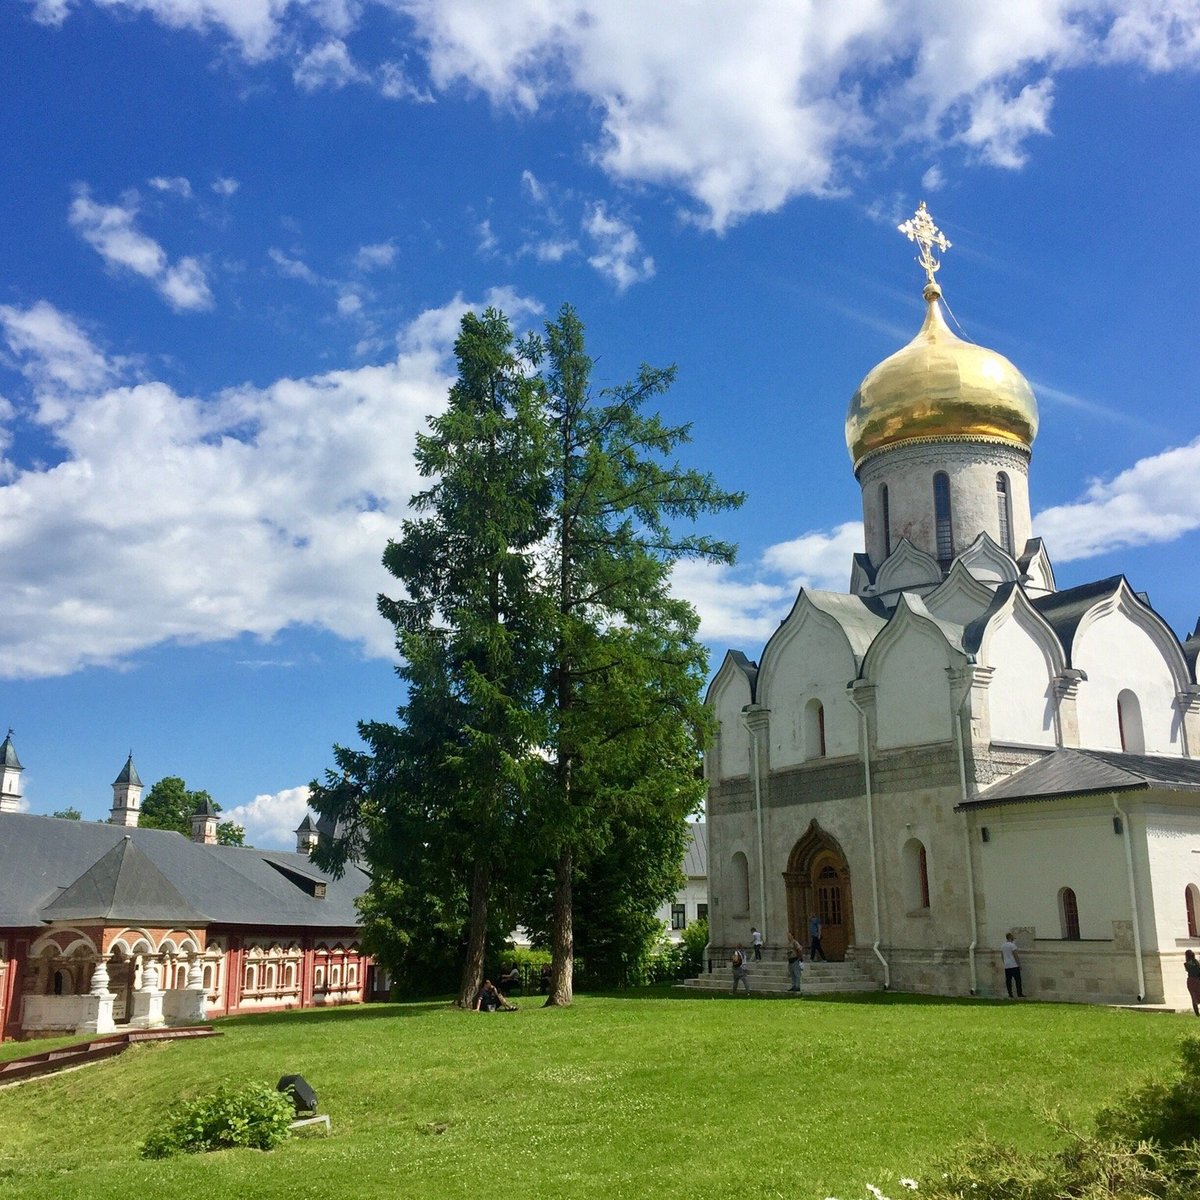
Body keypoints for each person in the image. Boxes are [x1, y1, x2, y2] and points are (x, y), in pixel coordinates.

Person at [1001, 932, 1024, 998]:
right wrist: (1019, 964)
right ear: (1010, 937)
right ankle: (1019, 993)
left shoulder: (1003, 946)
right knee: (1018, 980)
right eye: (1013, 937)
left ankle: (1010, 994)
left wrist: (1005, 962)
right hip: (1014, 965)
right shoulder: (1012, 945)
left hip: (1007, 965)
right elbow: (1015, 955)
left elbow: (1002, 955)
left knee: (1008, 980)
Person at [1185, 949, 1200, 1016]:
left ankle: (1197, 1014)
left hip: (1190, 981)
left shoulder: (1186, 964)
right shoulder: (1196, 962)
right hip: (1197, 980)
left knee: (1193, 998)